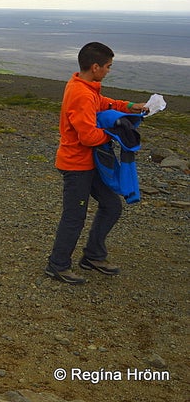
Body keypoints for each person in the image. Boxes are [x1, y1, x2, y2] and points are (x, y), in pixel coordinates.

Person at [45, 41, 148, 285]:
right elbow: (88, 136)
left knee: (112, 206)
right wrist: (115, 134)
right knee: (74, 217)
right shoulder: (80, 94)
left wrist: (131, 107)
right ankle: (57, 265)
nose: (109, 71)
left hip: (90, 164)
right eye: (108, 67)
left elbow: (102, 103)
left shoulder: (86, 87)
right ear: (95, 67)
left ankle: (93, 256)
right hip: (76, 166)